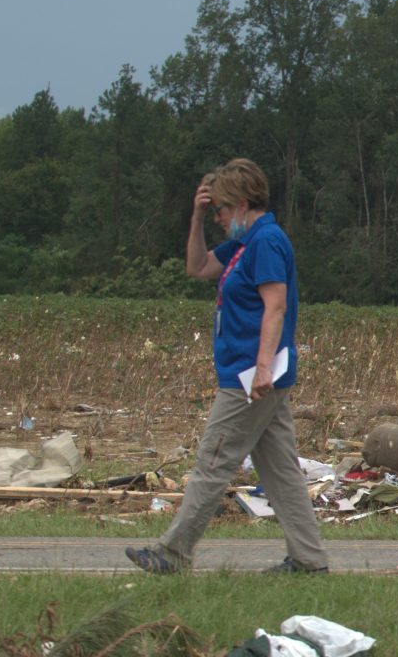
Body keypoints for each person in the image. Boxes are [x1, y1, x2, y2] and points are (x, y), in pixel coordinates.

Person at [127, 159, 330, 576]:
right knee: (281, 473)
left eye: (219, 210)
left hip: (250, 379)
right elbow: (197, 267)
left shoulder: (266, 241)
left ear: (241, 204)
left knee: (213, 461)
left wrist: (260, 370)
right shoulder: (242, 244)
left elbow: (275, 306)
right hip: (253, 376)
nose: (218, 218)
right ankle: (309, 561)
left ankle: (173, 552)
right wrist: (196, 217)